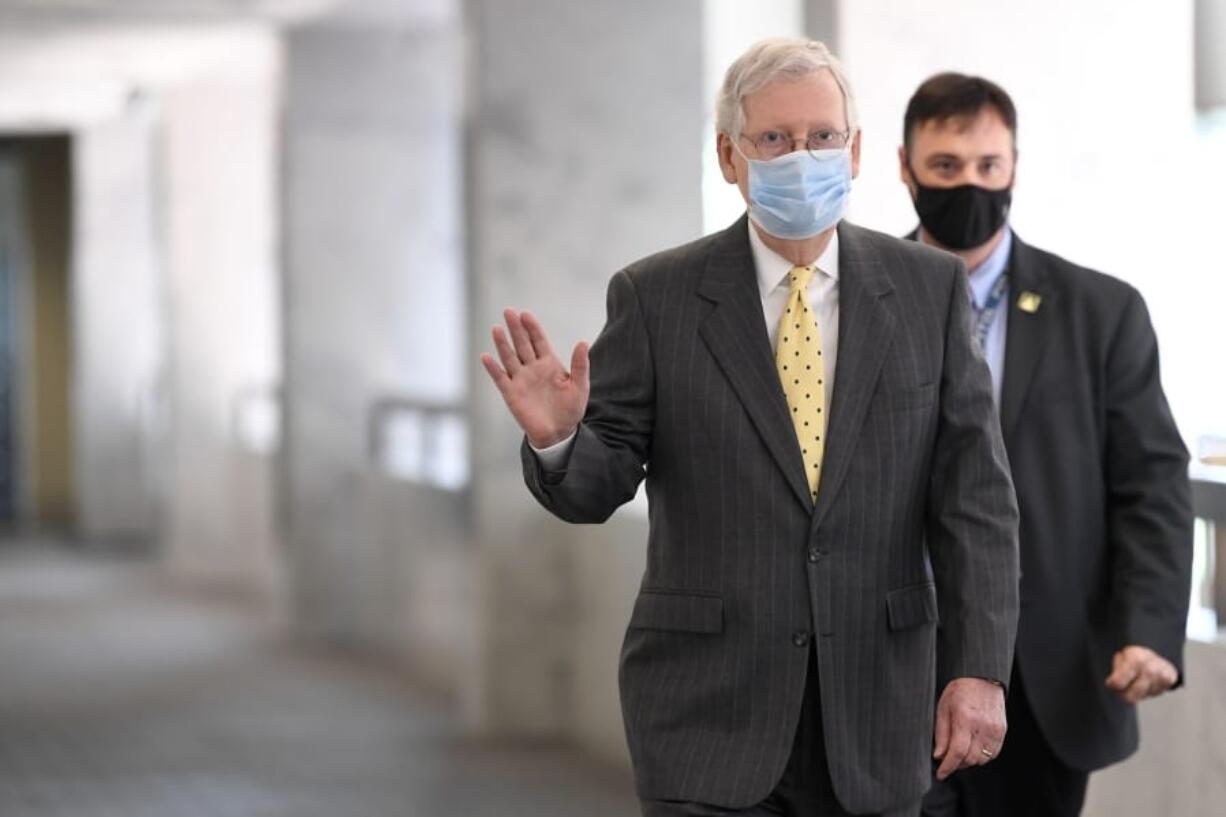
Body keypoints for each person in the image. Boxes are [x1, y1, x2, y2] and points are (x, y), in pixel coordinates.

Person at [481, 39, 1020, 817]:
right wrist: (560, 439)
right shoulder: (657, 295)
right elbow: (596, 488)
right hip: (706, 713)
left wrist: (979, 668)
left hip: (878, 706)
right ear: (731, 157)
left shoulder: (929, 290)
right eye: (774, 139)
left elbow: (977, 499)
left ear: (857, 150)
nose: (802, 156)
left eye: (823, 137)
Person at [898, 73, 1194, 817]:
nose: (970, 183)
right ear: (904, 167)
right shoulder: (856, 299)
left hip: (1046, 677)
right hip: (889, 664)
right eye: (945, 166)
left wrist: (1148, 628)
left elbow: (1151, 483)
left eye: (988, 166)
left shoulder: (1102, 313)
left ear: (1015, 168)